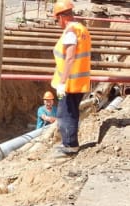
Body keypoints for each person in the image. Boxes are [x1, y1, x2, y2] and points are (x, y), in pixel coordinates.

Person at [51, 0, 91, 157]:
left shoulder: (71, 32)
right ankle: (68, 143)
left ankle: (69, 146)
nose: (58, 23)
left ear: (61, 17)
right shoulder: (82, 29)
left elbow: (69, 58)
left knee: (65, 114)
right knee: (71, 112)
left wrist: (62, 83)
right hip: (78, 82)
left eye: (57, 20)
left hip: (69, 83)